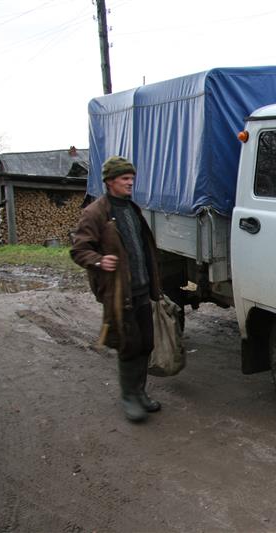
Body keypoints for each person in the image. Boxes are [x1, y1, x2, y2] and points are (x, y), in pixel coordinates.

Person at [71, 156, 163, 423]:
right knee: (128, 345)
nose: (130, 182)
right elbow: (79, 250)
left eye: (131, 178)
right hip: (119, 291)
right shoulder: (95, 212)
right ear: (111, 181)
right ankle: (129, 398)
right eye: (125, 178)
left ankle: (141, 393)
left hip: (142, 288)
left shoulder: (131, 208)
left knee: (146, 343)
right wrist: (99, 260)